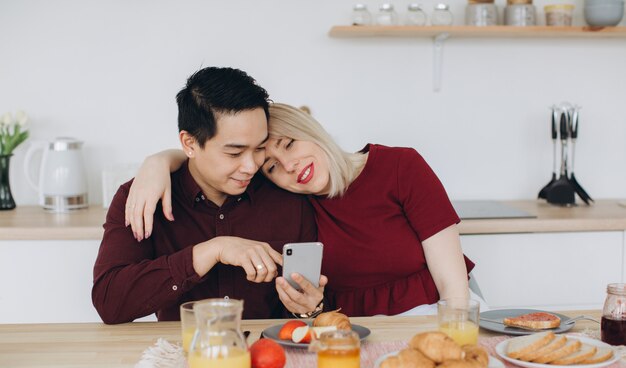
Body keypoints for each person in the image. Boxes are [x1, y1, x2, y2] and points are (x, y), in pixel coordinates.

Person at [126, 103, 476, 317]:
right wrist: (157, 162)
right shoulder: (290, 200)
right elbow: (209, 162)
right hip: (346, 331)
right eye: (273, 167)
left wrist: (455, 335)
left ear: (310, 129)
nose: (290, 167)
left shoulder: (400, 166)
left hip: (436, 313)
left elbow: (452, 283)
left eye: (289, 145)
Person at [92, 69, 326, 324]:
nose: (251, 166)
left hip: (268, 357)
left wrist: (309, 309)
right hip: (180, 356)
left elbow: (302, 314)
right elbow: (110, 302)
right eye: (234, 153)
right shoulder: (143, 197)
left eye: (259, 148)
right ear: (189, 144)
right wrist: (213, 250)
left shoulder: (286, 195)